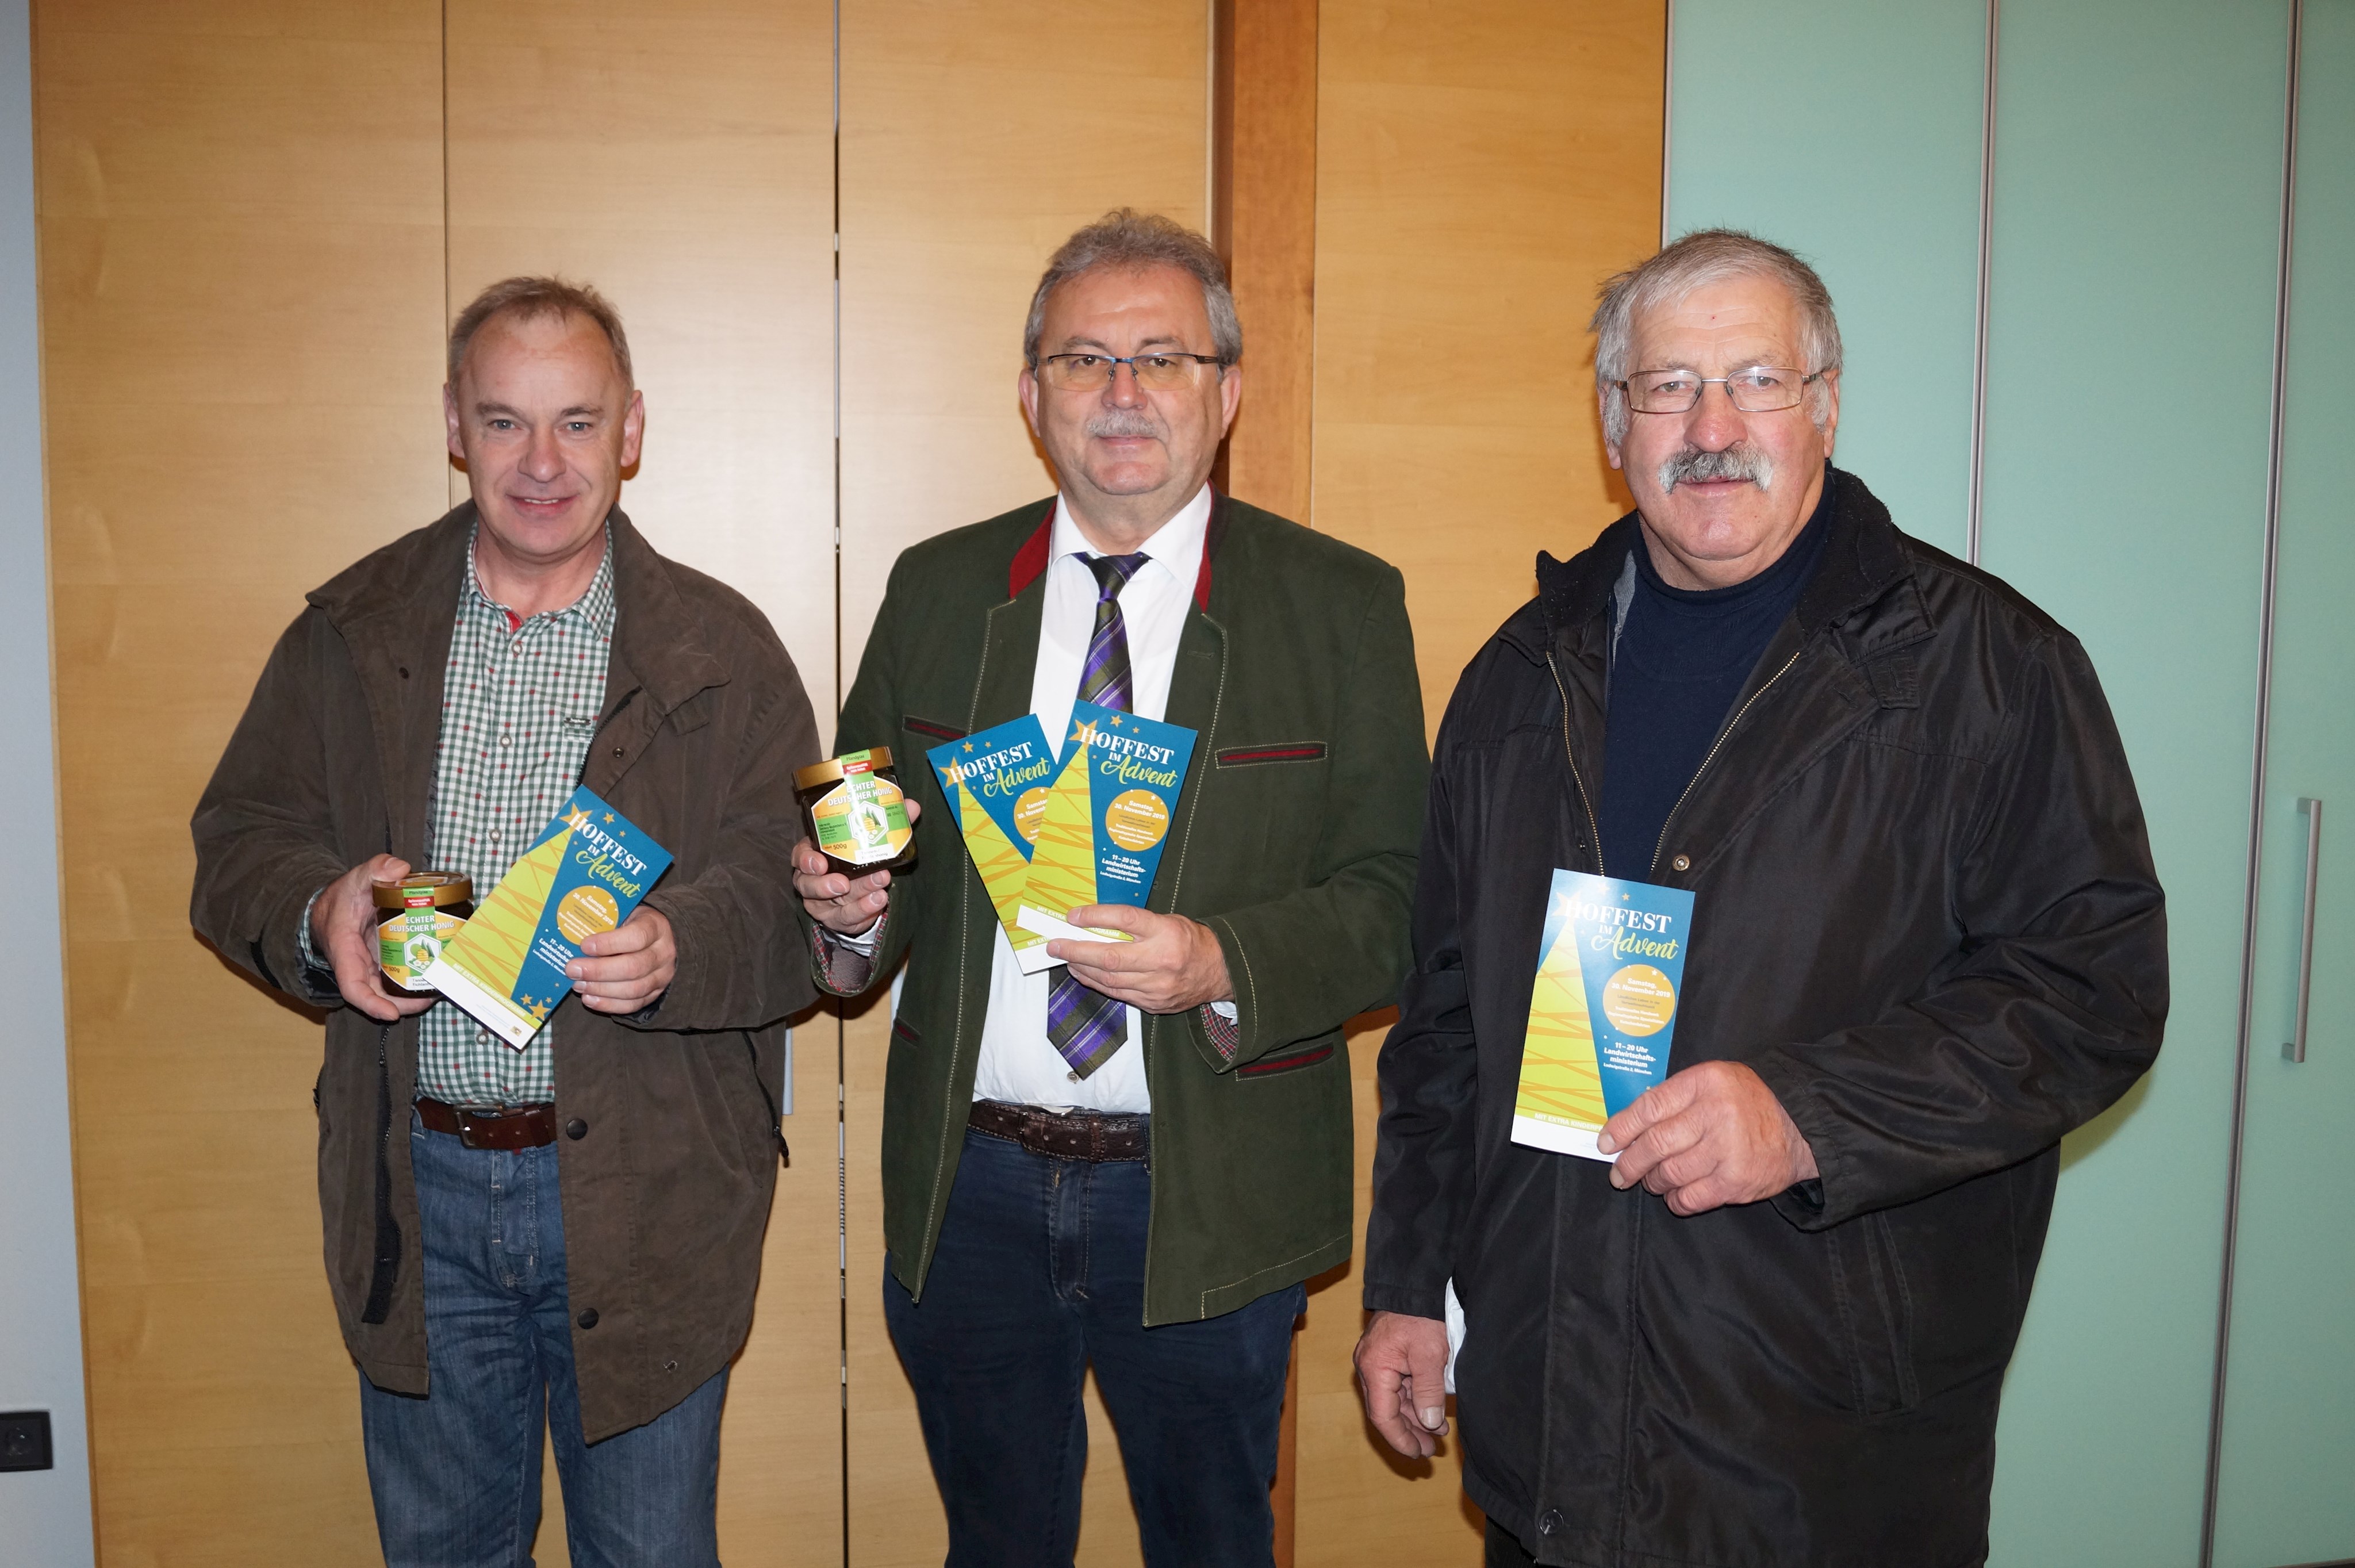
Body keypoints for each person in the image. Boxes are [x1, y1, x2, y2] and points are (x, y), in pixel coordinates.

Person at [1355, 229, 2168, 1568]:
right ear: (1613, 421)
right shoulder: (1520, 675)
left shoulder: (1985, 668)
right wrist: (1406, 1287)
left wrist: (1806, 1114)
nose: (1711, 428)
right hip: (1546, 1423)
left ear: (1826, 402)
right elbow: (1445, 1019)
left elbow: (2094, 989)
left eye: (1757, 380)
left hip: (1813, 1454)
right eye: (1668, 386)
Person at [795, 210, 1426, 1567]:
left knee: (1210, 1543)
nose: (1123, 393)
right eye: (1084, 359)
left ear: (1227, 391)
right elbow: (874, 857)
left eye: (1162, 357)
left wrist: (1219, 961)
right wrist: (846, 914)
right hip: (975, 1188)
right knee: (996, 1546)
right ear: (1032, 398)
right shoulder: (938, 587)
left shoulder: (1341, 604)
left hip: (1208, 1186)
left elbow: (1395, 898)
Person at [190, 277, 819, 1565]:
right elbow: (236, 843)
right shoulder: (346, 632)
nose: (542, 463)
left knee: (648, 1554)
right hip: (415, 1193)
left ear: (631, 429)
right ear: (452, 425)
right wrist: (320, 911)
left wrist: (682, 942)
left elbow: (791, 892)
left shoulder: (724, 648)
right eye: (504, 421)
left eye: (578, 423)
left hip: (652, 1199)